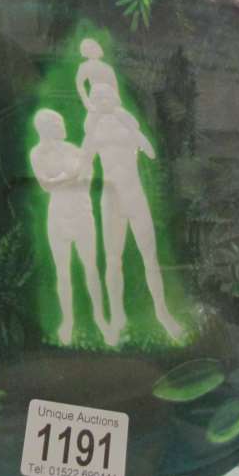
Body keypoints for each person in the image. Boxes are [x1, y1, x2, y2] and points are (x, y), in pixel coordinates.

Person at [82, 83, 183, 343]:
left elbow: (150, 152)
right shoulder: (93, 130)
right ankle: (117, 318)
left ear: (114, 97)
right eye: (97, 97)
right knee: (113, 259)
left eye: (106, 95)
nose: (102, 100)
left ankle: (162, 313)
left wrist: (131, 127)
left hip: (135, 196)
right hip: (111, 200)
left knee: (150, 258)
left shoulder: (127, 125)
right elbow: (84, 164)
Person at [30, 109, 108, 344]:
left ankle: (100, 319)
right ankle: (68, 323)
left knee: (91, 268)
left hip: (82, 213)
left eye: (62, 122)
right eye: (58, 123)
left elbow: (86, 178)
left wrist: (66, 177)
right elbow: (45, 185)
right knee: (62, 273)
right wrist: (70, 176)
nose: (63, 126)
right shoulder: (37, 153)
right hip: (58, 217)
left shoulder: (75, 150)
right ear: (46, 128)